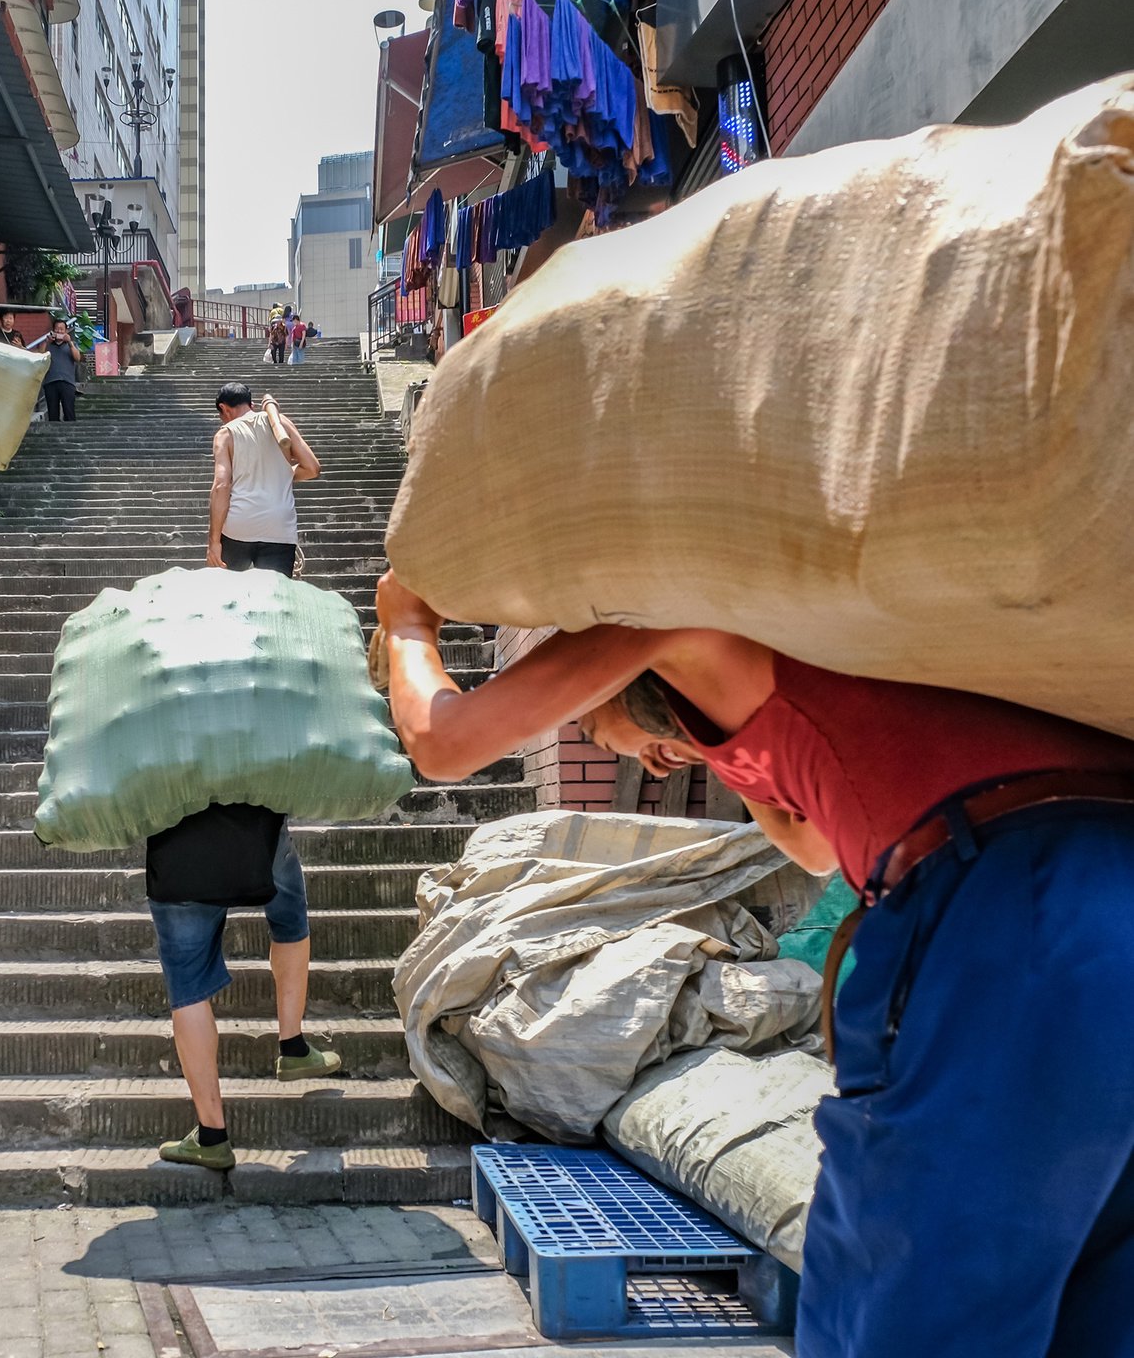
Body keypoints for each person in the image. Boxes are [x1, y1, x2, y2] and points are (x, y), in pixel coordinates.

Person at [375, 574, 1134, 1358]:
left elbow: (443, 742)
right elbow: (809, 844)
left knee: (904, 1309)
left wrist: (406, 625)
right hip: (1102, 878)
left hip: (1015, 907)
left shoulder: (673, 611)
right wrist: (721, 739)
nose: (652, 765)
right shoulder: (822, 647)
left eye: (606, 738)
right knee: (1093, 1309)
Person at [149, 803, 341, 1170]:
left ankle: (212, 1135)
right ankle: (292, 1043)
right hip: (256, 824)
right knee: (289, 917)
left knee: (187, 985)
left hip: (176, 840)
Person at [207, 383, 319, 575]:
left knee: (229, 596)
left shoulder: (225, 434)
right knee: (275, 599)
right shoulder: (280, 423)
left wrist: (214, 542)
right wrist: (282, 473)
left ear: (223, 408)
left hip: (238, 527)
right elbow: (312, 468)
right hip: (279, 528)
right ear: (251, 404)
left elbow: (221, 486)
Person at [43, 318, 82, 422]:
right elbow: (40, 356)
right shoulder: (48, 345)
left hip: (67, 382)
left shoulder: (71, 345)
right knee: (53, 413)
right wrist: (47, 343)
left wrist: (70, 342)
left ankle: (71, 434)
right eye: (57, 329)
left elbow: (77, 358)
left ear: (66, 331)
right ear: (53, 330)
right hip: (50, 382)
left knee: (69, 411)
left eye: (61, 329)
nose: (59, 332)